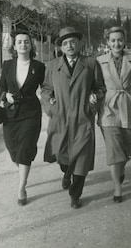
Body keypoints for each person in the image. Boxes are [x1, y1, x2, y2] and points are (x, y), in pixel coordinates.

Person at [41, 26, 105, 209]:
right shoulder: (53, 66)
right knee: (63, 156)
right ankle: (66, 172)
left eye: (73, 42)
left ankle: (75, 194)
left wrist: (94, 99)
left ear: (79, 44)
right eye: (65, 43)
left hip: (82, 118)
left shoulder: (91, 64)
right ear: (61, 47)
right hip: (60, 118)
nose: (69, 46)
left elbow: (100, 88)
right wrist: (51, 107)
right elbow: (46, 89)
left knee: (82, 158)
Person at [96, 26, 131, 203]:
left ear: (124, 41)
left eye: (119, 40)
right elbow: (95, 86)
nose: (116, 43)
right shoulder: (100, 61)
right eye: (113, 40)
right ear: (108, 43)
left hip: (127, 107)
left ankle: (121, 169)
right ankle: (117, 188)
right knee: (113, 150)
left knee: (126, 150)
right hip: (108, 109)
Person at [0, 29, 45, 206]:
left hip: (31, 114)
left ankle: (21, 187)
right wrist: (5, 96)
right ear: (14, 46)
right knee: (13, 149)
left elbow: (46, 87)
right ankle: (23, 171)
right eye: (19, 42)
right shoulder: (7, 65)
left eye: (26, 41)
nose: (23, 44)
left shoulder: (39, 67)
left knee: (25, 148)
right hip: (11, 114)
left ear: (31, 44)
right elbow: (1, 87)